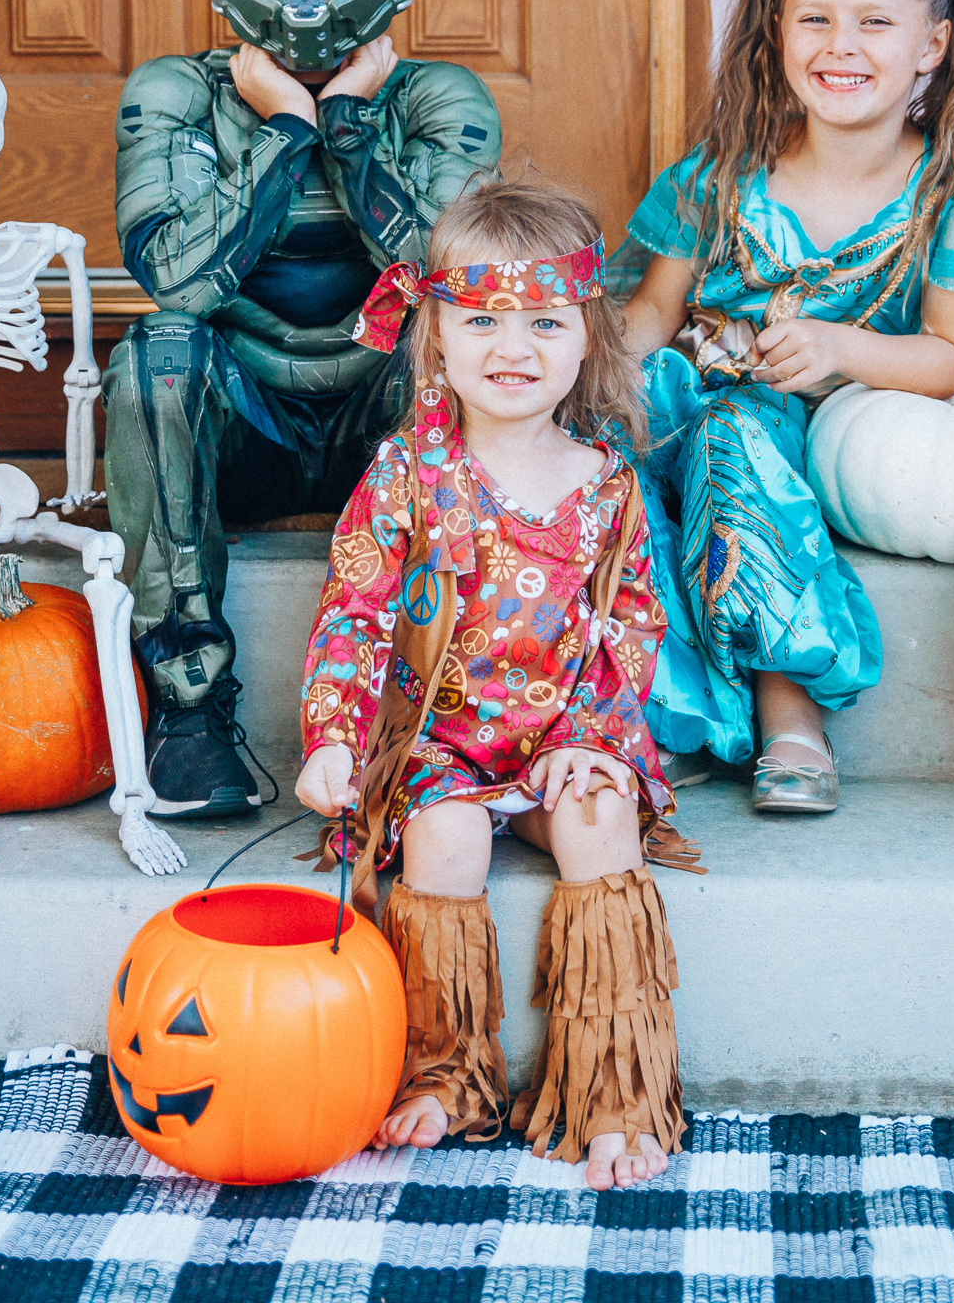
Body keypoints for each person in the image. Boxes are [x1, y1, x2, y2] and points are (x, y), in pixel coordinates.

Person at [104, 0, 501, 821]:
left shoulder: (439, 101)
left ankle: (449, 705)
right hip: (245, 427)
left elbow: (448, 274)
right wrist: (284, 130)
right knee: (157, 351)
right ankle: (189, 708)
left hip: (388, 419)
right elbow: (176, 279)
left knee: (470, 340)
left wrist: (354, 123)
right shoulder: (175, 92)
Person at [295, 178, 699, 1190]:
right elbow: (356, 611)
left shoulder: (605, 482)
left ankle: (615, 1091)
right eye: (479, 318)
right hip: (440, 744)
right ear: (434, 330)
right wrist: (335, 738)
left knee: (599, 814)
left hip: (565, 731)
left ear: (586, 335)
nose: (511, 347)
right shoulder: (407, 474)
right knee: (446, 833)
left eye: (542, 321)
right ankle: (445, 1071)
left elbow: (632, 623)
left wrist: (593, 733)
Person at [623, 0, 954, 814]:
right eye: (816, 19)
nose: (842, 45)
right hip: (688, 391)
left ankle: (788, 710)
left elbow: (952, 358)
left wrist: (839, 347)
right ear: (778, 32)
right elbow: (649, 316)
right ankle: (646, 703)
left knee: (739, 433)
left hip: (814, 424)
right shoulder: (717, 175)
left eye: (875, 22)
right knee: (614, 434)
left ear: (933, 44)